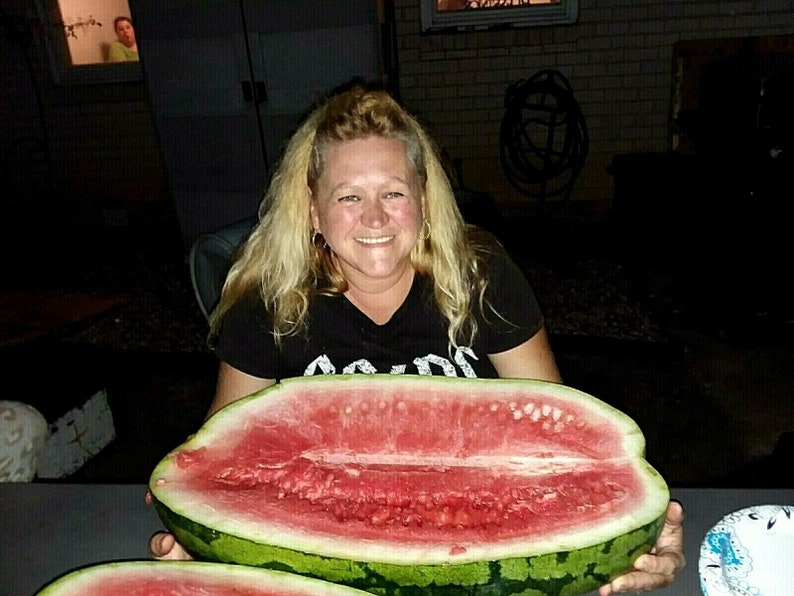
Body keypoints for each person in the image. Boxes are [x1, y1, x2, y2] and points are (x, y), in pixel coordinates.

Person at [148, 84, 685, 594]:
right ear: (313, 210)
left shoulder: (482, 276)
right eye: (350, 196)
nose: (375, 217)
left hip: (478, 553)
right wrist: (199, 541)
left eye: (394, 192)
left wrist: (638, 535)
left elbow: (564, 451)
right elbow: (219, 465)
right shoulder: (267, 305)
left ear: (424, 200)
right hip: (322, 561)